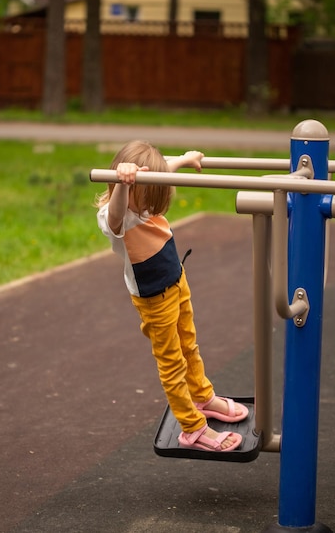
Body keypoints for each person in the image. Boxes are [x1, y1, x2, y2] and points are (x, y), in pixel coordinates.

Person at [95, 140, 248, 452]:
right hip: (153, 298)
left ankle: (202, 397)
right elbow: (116, 213)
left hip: (177, 280)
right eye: (147, 196)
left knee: (189, 344)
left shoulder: (144, 197)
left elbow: (160, 173)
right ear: (125, 185)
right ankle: (192, 428)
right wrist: (123, 182)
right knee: (172, 362)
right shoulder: (116, 216)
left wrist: (183, 158)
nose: (152, 207)